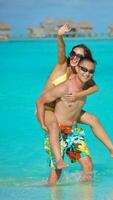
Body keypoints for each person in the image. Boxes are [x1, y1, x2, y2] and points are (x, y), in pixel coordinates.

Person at [39, 24, 113, 170]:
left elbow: (95, 87)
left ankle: (112, 149)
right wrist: (59, 35)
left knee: (93, 119)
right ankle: (59, 160)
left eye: (79, 56)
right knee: (54, 127)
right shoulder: (63, 65)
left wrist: (78, 95)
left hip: (64, 108)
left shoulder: (81, 73)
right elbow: (61, 48)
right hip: (47, 107)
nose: (74, 57)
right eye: (73, 53)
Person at [37, 57, 98, 185]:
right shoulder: (64, 87)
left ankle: (86, 195)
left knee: (88, 166)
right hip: (58, 132)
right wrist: (42, 123)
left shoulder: (87, 86)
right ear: (77, 68)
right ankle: (51, 193)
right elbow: (40, 101)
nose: (87, 73)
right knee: (57, 173)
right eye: (84, 69)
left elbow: (96, 88)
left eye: (91, 71)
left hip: (73, 132)